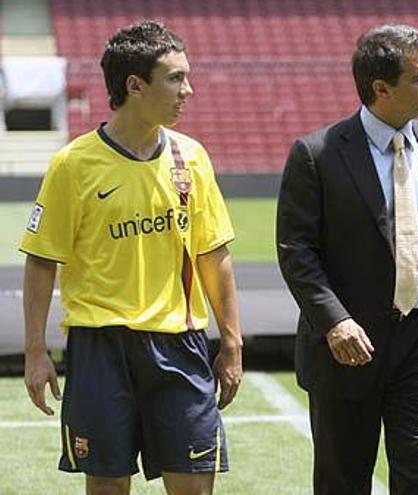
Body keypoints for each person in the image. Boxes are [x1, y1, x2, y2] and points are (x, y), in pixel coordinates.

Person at [21, 21, 243, 495]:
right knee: (106, 487)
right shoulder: (72, 165)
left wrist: (232, 342)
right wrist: (36, 352)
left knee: (194, 488)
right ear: (135, 85)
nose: (189, 89)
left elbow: (212, 253)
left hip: (180, 345)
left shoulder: (193, 158)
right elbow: (41, 261)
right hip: (100, 346)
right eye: (176, 78)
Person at [276, 24, 418, 494]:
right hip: (347, 344)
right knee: (343, 478)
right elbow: (296, 251)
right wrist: (335, 322)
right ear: (381, 88)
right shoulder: (316, 154)